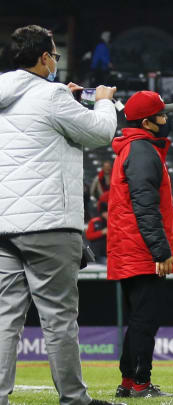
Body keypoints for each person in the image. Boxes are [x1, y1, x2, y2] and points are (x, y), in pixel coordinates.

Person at [0, 25, 120, 405]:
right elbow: (100, 132)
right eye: (54, 53)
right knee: (58, 319)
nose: (56, 60)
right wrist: (100, 100)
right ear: (42, 58)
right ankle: (73, 398)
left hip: (5, 223)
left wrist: (66, 101)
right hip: (49, 223)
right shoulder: (52, 94)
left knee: (5, 319)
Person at [107, 91, 173, 399]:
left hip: (129, 247)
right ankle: (140, 383)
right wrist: (160, 251)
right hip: (140, 250)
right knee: (146, 320)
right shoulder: (142, 151)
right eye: (162, 116)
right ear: (148, 122)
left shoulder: (135, 148)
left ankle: (128, 383)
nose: (167, 120)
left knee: (138, 319)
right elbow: (145, 206)